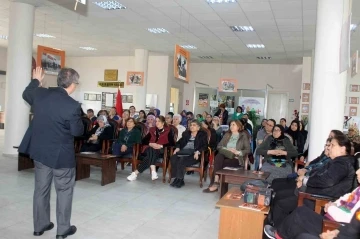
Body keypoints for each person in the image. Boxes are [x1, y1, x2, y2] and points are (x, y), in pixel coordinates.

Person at [19, 67, 83, 238]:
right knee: (64, 191)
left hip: (40, 153)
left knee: (41, 189)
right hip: (62, 156)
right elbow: (77, 132)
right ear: (73, 84)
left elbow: (26, 93)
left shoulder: (40, 94)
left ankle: (40, 226)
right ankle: (62, 230)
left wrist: (36, 80)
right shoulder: (72, 105)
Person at [264, 167, 360, 239]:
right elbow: (343, 199)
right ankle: (279, 233)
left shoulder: (341, 165)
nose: (357, 172)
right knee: (301, 212)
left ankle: (278, 235)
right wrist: (334, 204)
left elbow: (349, 219)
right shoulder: (358, 189)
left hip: (334, 225)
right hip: (333, 219)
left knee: (300, 218)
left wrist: (331, 208)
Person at [203, 120, 251, 193]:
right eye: (230, 125)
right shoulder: (227, 134)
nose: (231, 126)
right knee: (219, 156)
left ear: (238, 126)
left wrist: (238, 152)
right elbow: (219, 146)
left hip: (236, 158)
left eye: (233, 124)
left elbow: (248, 150)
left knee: (219, 163)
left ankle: (215, 184)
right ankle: (216, 180)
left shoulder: (243, 136)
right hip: (225, 155)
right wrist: (227, 149)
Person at [127, 116, 175, 181]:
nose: (157, 123)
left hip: (160, 150)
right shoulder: (152, 130)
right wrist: (150, 144)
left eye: (159, 121)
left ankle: (135, 173)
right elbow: (143, 141)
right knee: (151, 149)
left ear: (163, 123)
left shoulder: (168, 131)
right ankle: (153, 170)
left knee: (149, 156)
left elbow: (172, 143)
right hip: (149, 148)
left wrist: (161, 146)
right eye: (156, 121)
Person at [169, 120, 208, 188]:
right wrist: (177, 148)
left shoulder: (202, 135)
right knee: (173, 158)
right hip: (184, 152)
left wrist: (198, 151)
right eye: (191, 125)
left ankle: (179, 180)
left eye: (194, 125)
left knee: (182, 160)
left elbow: (205, 146)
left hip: (194, 154)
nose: (192, 126)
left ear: (198, 127)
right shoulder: (186, 133)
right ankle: (179, 179)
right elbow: (179, 142)